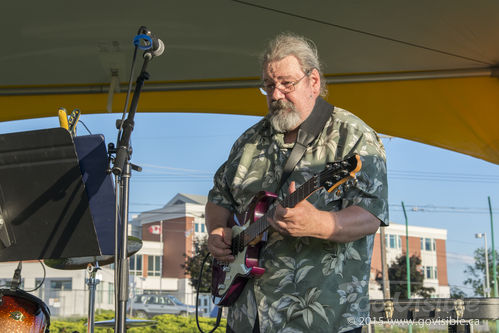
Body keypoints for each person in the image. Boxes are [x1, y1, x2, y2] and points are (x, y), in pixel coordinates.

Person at [206, 32, 388, 333]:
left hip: (322, 319)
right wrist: (216, 231)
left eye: (286, 84)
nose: (276, 95)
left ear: (313, 81)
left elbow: (369, 217)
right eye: (268, 85)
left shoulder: (354, 136)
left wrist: (318, 223)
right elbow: (219, 199)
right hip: (246, 317)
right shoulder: (248, 142)